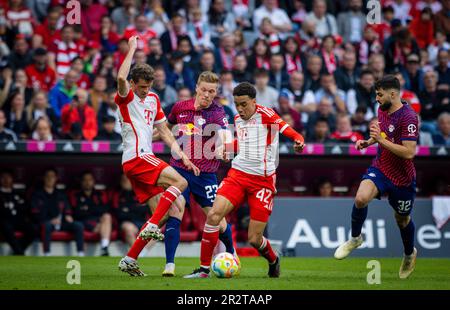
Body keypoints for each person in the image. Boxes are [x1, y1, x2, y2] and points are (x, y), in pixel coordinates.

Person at [184, 82, 305, 278]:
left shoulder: (266, 114)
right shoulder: (238, 118)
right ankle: (204, 270)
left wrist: (298, 141)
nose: (239, 109)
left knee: (254, 239)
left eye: (243, 104)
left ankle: (273, 260)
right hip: (238, 175)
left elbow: (289, 130)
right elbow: (245, 142)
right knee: (214, 214)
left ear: (254, 102)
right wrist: (227, 148)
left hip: (262, 181)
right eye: (237, 104)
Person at [116, 36, 199, 277]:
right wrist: (132, 48)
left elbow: (163, 131)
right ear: (133, 84)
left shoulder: (153, 99)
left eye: (149, 86)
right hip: (137, 156)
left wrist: (182, 156)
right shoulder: (126, 97)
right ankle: (151, 226)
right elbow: (121, 77)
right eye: (141, 86)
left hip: (141, 160)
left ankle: (129, 258)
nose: (146, 90)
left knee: (170, 211)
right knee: (180, 183)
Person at [334, 75, 419, 279]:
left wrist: (380, 140)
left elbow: (409, 152)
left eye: (380, 95)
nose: (377, 99)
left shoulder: (409, 117)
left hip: (403, 178)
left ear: (393, 93)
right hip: (381, 168)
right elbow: (382, 135)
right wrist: (368, 141)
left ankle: (409, 254)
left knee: (402, 219)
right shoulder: (382, 109)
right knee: (361, 198)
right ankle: (355, 238)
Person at [162, 71, 237, 276]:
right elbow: (164, 129)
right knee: (175, 212)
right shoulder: (179, 107)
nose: (207, 94)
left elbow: (225, 135)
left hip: (206, 174)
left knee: (217, 220)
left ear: (216, 92)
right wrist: (144, 138)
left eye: (211, 91)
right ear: (196, 87)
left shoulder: (217, 112)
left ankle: (232, 253)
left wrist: (225, 150)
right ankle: (170, 265)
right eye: (204, 90)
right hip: (179, 170)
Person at [31, 168, 85, 256]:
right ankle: (46, 254)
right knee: (47, 225)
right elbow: (35, 213)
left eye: (52, 176)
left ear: (56, 178)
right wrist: (50, 220)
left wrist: (68, 215)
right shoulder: (37, 194)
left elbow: (67, 208)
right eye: (47, 176)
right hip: (46, 222)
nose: (50, 179)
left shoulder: (60, 194)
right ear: (44, 178)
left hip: (61, 222)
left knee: (78, 225)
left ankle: (81, 253)